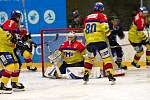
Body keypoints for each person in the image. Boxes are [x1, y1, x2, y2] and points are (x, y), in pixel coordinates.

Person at [83, 2, 116, 84]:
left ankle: (86, 75)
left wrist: (88, 40)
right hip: (100, 41)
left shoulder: (87, 17)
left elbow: (84, 31)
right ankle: (110, 75)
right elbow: (104, 26)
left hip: (90, 42)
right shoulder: (102, 15)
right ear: (102, 9)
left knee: (89, 59)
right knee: (106, 58)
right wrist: (109, 35)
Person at [0, 10, 25, 93]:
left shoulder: (15, 26)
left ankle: (14, 83)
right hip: (3, 49)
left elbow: (15, 38)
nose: (20, 19)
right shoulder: (11, 22)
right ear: (17, 17)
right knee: (10, 66)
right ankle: (2, 85)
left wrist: (19, 42)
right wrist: (12, 39)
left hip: (9, 49)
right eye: (20, 17)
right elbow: (4, 33)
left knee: (16, 65)